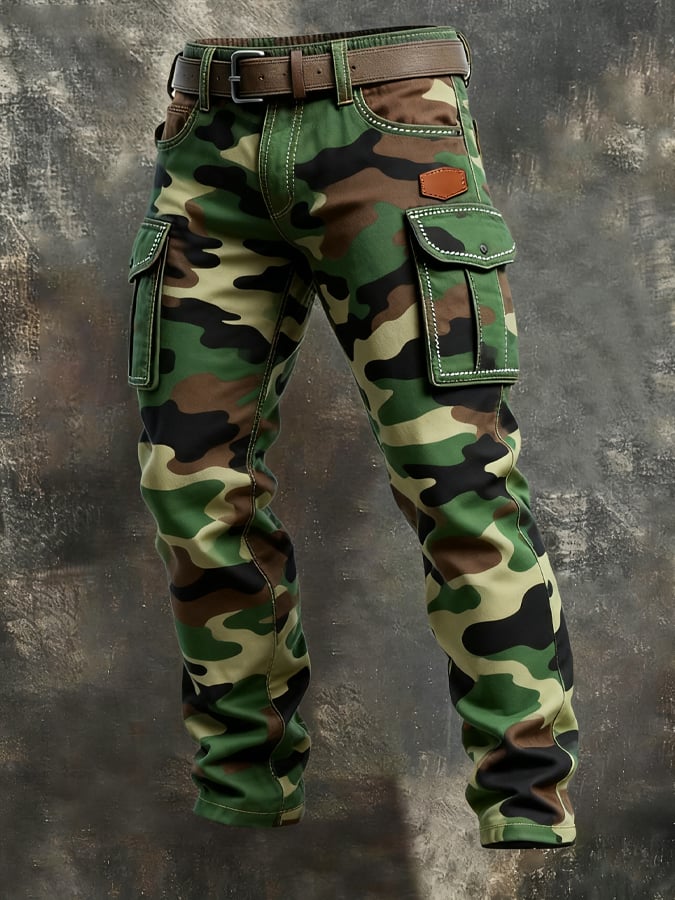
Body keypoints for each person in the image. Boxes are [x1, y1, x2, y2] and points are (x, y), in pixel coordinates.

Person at [128, 25, 578, 848]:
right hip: (209, 135)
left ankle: (524, 799)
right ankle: (245, 783)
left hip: (391, 124)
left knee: (455, 479)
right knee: (186, 483)